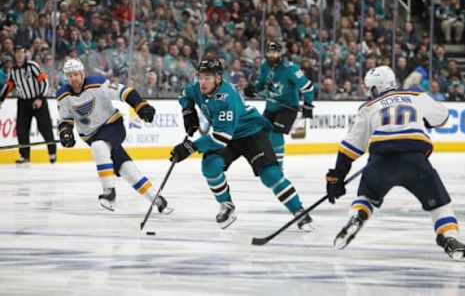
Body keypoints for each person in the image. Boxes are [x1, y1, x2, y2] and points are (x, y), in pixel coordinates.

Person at [325, 65, 465, 261]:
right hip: (414, 160)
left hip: (380, 161)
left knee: (367, 196)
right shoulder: (415, 95)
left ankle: (358, 215)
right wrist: (425, 120)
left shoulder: (368, 107)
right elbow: (443, 117)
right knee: (441, 205)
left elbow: (349, 148)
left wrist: (336, 176)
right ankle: (450, 239)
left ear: (375, 88)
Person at [170, 57, 313, 230]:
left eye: (207, 78)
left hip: (251, 133)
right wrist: (188, 111)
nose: (202, 82)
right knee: (210, 165)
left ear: (218, 78)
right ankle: (226, 205)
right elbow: (184, 95)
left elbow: (221, 138)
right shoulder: (197, 89)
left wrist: (191, 147)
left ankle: (299, 212)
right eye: (200, 77)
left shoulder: (227, 97)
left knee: (271, 175)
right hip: (228, 135)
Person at [56, 59, 172, 214]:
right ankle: (157, 199)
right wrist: (65, 132)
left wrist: (141, 105)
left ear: (82, 73)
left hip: (112, 126)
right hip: (91, 135)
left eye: (76, 74)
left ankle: (109, 192)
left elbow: (125, 92)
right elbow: (65, 119)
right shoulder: (63, 95)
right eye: (69, 75)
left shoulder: (98, 84)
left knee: (99, 146)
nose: (73, 78)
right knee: (126, 169)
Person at [244, 41, 314, 169]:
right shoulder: (265, 66)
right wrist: (253, 89)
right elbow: (261, 84)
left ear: (281, 53)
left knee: (276, 133)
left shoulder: (290, 69)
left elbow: (308, 87)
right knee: (263, 134)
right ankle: (270, 161)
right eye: (269, 52)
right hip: (271, 106)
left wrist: (308, 104)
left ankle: (278, 166)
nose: (271, 55)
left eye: (275, 52)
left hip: (288, 107)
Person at [0, 45, 56, 166]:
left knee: (45, 128)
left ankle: (52, 152)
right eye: (17, 52)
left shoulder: (32, 66)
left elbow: (44, 82)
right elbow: (9, 86)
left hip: (37, 100)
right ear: (14, 55)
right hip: (23, 102)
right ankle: (25, 156)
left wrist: (40, 98)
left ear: (25, 54)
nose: (19, 55)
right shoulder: (13, 70)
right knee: (22, 129)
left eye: (22, 52)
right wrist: (1, 100)